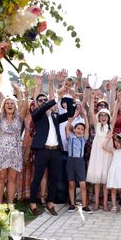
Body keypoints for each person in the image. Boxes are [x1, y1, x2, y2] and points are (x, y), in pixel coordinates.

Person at [28, 85, 75, 216]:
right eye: (41, 100)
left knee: (54, 178)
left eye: (45, 100)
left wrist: (68, 96)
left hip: (55, 151)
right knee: (37, 177)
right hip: (42, 150)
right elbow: (44, 108)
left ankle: (50, 203)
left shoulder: (55, 116)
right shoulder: (37, 115)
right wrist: (55, 98)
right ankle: (32, 204)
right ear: (37, 104)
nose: (43, 102)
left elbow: (70, 113)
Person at [0, 86, 29, 205]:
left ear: (15, 106)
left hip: (15, 153)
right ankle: (0, 205)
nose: (10, 105)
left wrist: (25, 96)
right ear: (4, 106)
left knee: (12, 179)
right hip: (1, 152)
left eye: (12, 103)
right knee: (1, 178)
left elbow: (25, 108)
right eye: (7, 103)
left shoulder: (19, 118)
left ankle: (10, 205)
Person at [86, 101, 114, 212]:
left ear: (108, 117)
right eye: (101, 115)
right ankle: (97, 203)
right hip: (97, 156)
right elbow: (91, 113)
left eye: (105, 115)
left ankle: (105, 203)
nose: (103, 117)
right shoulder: (97, 126)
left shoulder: (110, 127)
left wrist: (119, 98)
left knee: (105, 181)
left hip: (106, 155)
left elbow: (115, 112)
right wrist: (92, 98)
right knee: (97, 180)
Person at [65, 111, 92, 213]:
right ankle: (72, 204)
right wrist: (74, 116)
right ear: (74, 129)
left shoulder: (83, 139)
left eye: (82, 129)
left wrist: (85, 115)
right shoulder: (70, 138)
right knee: (71, 184)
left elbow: (88, 128)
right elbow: (67, 127)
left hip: (80, 162)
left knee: (83, 184)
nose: (80, 131)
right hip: (70, 161)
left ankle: (84, 205)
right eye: (78, 128)